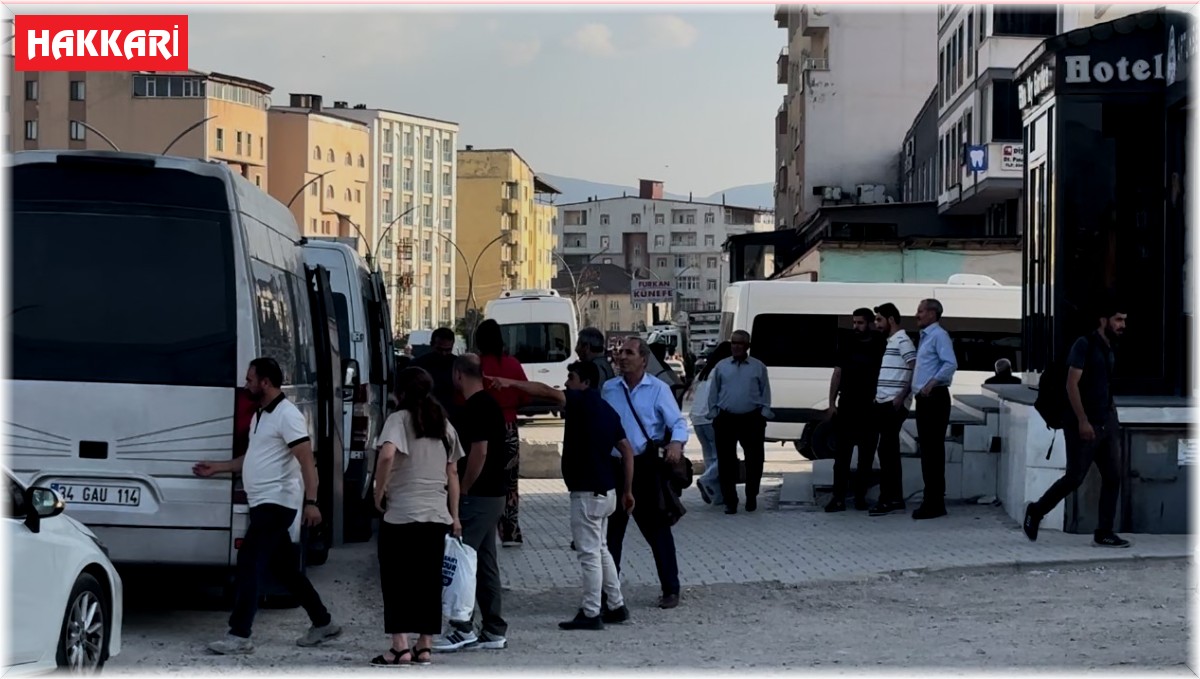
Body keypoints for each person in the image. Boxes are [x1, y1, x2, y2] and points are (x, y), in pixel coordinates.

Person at [194, 358, 341, 655]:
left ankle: (239, 635)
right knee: (286, 570)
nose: (246, 384)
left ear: (265, 382)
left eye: (250, 379)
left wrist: (312, 503)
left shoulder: (288, 415)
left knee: (249, 563)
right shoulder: (261, 415)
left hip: (277, 502)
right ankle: (323, 622)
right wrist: (219, 467)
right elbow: (253, 459)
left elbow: (306, 462)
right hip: (263, 501)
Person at [490, 361, 637, 630]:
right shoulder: (608, 410)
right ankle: (616, 605)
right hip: (608, 491)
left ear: (585, 383)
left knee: (589, 553)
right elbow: (627, 451)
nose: (566, 382)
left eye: (571, 377)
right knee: (601, 549)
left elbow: (545, 390)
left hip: (587, 492)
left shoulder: (580, 402)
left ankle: (592, 612)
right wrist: (627, 491)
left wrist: (510, 382)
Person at [369, 367, 464, 667]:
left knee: (396, 581)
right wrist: (456, 516)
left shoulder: (398, 420)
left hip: (401, 515)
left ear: (401, 392)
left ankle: (400, 646)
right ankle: (425, 646)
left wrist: (378, 490)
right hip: (436, 515)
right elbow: (453, 473)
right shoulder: (443, 423)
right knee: (428, 582)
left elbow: (386, 455)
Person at [1023, 302, 1130, 548]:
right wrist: (1082, 420)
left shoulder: (1110, 347)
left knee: (1113, 477)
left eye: (1124, 320)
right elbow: (1072, 385)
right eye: (1118, 319)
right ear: (1104, 320)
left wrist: (1112, 417)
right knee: (1074, 478)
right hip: (1083, 423)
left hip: (1107, 422)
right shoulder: (1084, 345)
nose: (1122, 325)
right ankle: (1036, 512)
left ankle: (1104, 532)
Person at [602, 337, 688, 609]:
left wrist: (676, 442)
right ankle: (609, 594)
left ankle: (670, 589)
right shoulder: (609, 389)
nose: (622, 357)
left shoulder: (657, 389)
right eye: (620, 352)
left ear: (643, 359)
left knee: (657, 530)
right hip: (615, 468)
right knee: (612, 534)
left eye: (629, 352)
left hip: (645, 467)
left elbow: (677, 422)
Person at [433, 354, 510, 652]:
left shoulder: (477, 407)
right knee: (485, 563)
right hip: (494, 495)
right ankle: (493, 629)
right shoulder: (491, 404)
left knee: (459, 557)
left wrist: (463, 489)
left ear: (458, 375)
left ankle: (462, 627)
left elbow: (480, 452)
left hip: (478, 496)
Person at [474, 319, 529, 547]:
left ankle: (482, 526)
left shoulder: (475, 366)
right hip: (508, 427)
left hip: (481, 428)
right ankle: (510, 531)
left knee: (480, 476)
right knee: (510, 480)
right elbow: (525, 396)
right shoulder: (513, 365)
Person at [706, 330, 773, 515]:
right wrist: (713, 412)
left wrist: (764, 412)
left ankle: (751, 496)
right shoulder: (722, 366)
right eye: (733, 343)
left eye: (740, 343)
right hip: (726, 418)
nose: (736, 346)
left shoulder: (758, 367)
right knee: (726, 461)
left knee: (755, 460)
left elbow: (765, 391)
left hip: (751, 418)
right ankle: (730, 501)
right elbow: (714, 391)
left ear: (747, 346)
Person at [825, 309, 885, 512]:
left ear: (869, 324)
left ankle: (860, 497)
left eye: (860, 323)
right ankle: (838, 498)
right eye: (854, 322)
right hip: (848, 406)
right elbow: (837, 373)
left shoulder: (880, 343)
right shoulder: (847, 342)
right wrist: (832, 402)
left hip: (870, 407)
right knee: (842, 457)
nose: (856, 327)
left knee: (866, 458)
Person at [869, 303, 918, 517]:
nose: (876, 324)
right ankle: (893, 498)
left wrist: (902, 396)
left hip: (893, 403)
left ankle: (888, 499)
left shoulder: (903, 340)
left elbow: (914, 366)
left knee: (887, 451)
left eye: (879, 319)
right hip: (884, 401)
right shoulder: (892, 341)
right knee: (887, 452)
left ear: (890, 320)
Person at [912, 298, 958, 520]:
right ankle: (931, 499)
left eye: (920, 311)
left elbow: (950, 363)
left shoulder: (939, 336)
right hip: (924, 399)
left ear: (932, 313)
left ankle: (934, 502)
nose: (917, 315)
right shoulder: (926, 337)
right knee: (928, 451)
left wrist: (931, 383)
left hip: (935, 398)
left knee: (933, 452)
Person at [687, 341, 732, 506]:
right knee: (725, 456)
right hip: (711, 418)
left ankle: (716, 496)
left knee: (710, 456)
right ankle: (706, 480)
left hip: (697, 419)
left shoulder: (704, 372)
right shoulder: (722, 372)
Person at [411, 327, 459, 417]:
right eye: (440, 349)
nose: (444, 354)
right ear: (431, 345)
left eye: (448, 350)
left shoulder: (459, 365)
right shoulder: (419, 365)